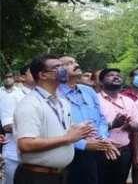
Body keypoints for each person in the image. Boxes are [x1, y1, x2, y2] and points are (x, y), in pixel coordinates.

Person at [14, 55, 94, 184]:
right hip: (37, 177)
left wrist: (78, 129)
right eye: (57, 67)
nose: (63, 69)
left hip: (60, 175)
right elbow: (26, 144)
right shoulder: (30, 104)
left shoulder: (62, 102)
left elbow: (61, 131)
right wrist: (68, 138)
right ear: (43, 75)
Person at [58, 56, 118, 184]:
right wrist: (83, 144)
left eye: (75, 61)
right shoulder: (56, 94)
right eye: (69, 63)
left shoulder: (88, 91)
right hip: (70, 152)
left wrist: (102, 138)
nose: (75, 64)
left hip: (97, 149)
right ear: (59, 70)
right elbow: (57, 129)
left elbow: (101, 118)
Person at [97, 68, 138, 184]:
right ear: (101, 82)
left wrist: (130, 125)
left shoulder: (128, 101)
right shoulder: (95, 100)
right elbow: (91, 127)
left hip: (124, 152)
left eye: (118, 75)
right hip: (100, 150)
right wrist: (113, 125)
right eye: (110, 75)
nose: (116, 77)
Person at [1, 65, 35, 183]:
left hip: (38, 157)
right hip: (14, 156)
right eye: (32, 72)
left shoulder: (42, 96)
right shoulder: (12, 95)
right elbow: (7, 126)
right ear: (22, 77)